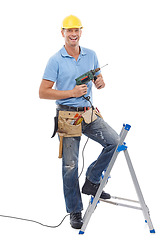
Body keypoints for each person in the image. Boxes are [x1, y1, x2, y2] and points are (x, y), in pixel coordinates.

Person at [39, 15, 119, 229]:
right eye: (69, 31)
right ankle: (75, 210)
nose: (73, 34)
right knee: (69, 166)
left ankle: (92, 181)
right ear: (62, 32)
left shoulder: (91, 55)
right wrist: (71, 92)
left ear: (81, 32)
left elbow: (99, 80)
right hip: (67, 115)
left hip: (88, 113)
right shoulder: (55, 60)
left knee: (115, 143)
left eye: (76, 30)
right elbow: (43, 92)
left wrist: (100, 82)